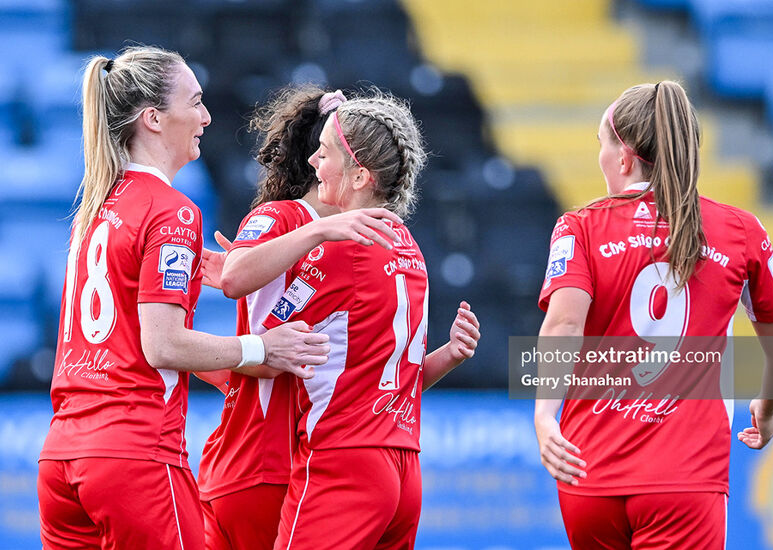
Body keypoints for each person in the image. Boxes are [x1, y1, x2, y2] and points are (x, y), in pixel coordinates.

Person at [37, 47, 331, 550]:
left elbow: (122, 346)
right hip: (133, 457)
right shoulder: (172, 211)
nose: (206, 116)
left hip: (61, 458)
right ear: (153, 118)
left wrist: (236, 369)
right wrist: (262, 348)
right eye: (194, 102)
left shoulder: (95, 209)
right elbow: (162, 345)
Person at [196, 85, 480, 550]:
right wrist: (447, 356)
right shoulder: (409, 248)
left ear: (360, 175)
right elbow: (382, 373)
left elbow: (265, 346)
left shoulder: (328, 241)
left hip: (310, 459)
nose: (313, 161)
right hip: (402, 465)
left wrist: (173, 349)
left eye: (325, 153)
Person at [534, 81, 773, 549]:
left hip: (588, 474)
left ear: (624, 157)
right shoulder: (740, 230)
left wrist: (544, 415)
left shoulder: (579, 226)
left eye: (602, 144)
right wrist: (768, 409)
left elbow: (564, 326)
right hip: (686, 481)